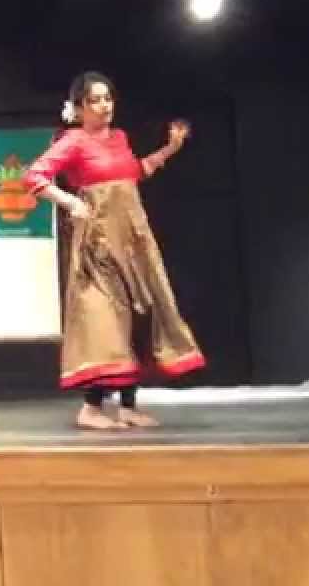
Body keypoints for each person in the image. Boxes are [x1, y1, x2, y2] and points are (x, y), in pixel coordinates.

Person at [24, 71, 205, 430]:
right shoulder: (73, 141)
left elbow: (134, 172)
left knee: (140, 315)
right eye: (95, 100)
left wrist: (171, 148)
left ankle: (127, 406)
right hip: (100, 244)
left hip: (133, 238)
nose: (104, 106)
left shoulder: (120, 137)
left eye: (107, 98)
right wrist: (71, 203)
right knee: (106, 322)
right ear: (79, 108)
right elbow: (35, 176)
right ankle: (91, 407)